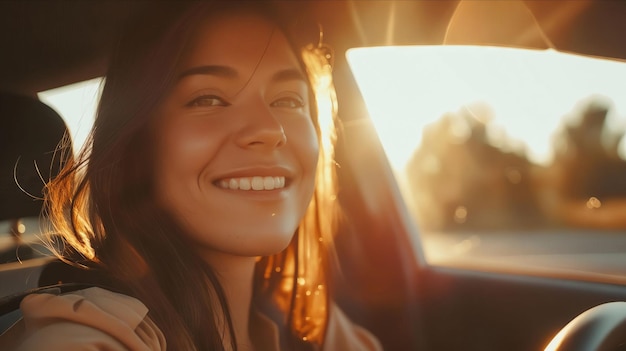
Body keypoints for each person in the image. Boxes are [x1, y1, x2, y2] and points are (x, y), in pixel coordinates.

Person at [0, 2, 382, 351]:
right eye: (208, 99)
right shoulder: (87, 334)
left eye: (289, 100)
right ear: (137, 147)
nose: (270, 129)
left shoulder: (305, 324)